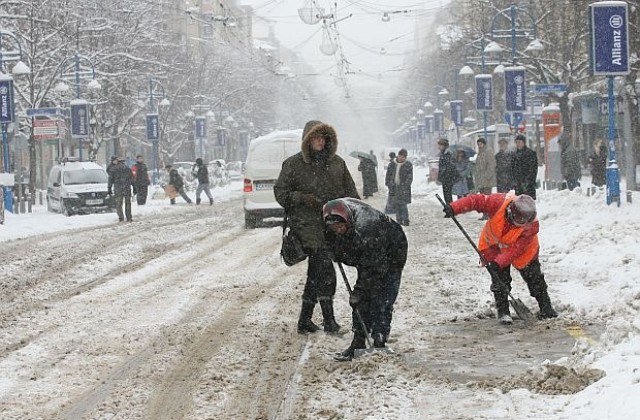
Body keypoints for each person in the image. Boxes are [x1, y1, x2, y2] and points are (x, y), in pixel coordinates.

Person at [274, 120, 360, 335]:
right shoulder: (293, 164)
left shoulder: (337, 163)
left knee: (316, 272)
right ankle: (329, 321)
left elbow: (350, 193)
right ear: (307, 140)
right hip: (306, 226)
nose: (319, 142)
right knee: (326, 270)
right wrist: (302, 198)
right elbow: (281, 193)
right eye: (315, 138)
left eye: (323, 138)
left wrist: (355, 215)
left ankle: (304, 320)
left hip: (330, 226)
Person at [442, 193, 558, 324]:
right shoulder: (498, 203)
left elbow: (516, 250)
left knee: (534, 277)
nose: (518, 223)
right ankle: (503, 311)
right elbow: (475, 200)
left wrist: (499, 262)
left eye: (522, 221)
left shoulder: (532, 226)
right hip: (493, 245)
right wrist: (454, 208)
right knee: (500, 279)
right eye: (517, 219)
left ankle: (546, 307)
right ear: (511, 211)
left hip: (524, 252)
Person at [322, 198, 407, 361]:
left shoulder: (368, 228)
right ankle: (359, 341)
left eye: (340, 227)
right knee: (362, 301)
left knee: (382, 297)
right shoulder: (330, 218)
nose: (337, 230)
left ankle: (379, 340)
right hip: (368, 251)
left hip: (393, 250)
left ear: (347, 220)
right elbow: (330, 242)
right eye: (334, 228)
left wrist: (359, 292)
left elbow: (371, 268)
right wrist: (336, 251)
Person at [385, 148, 413, 226]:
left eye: (403, 157)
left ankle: (405, 219)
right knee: (396, 204)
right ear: (398, 156)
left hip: (404, 189)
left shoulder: (408, 165)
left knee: (403, 204)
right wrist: (389, 184)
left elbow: (410, 177)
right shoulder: (392, 164)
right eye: (400, 156)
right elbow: (388, 176)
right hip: (393, 188)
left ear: (405, 157)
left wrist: (404, 186)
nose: (401, 158)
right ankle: (399, 220)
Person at [474, 138, 496, 219]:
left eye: (480, 144)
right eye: (478, 144)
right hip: (481, 180)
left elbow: (491, 165)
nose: (479, 146)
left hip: (487, 180)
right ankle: (485, 214)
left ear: (484, 144)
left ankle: (488, 214)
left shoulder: (488, 152)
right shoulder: (480, 153)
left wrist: (487, 176)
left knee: (487, 198)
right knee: (483, 198)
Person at [511, 134, 538, 199]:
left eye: (519, 142)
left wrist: (529, 181)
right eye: (516, 142)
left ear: (524, 143)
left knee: (528, 203)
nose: (518, 144)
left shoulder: (530, 153)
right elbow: (512, 169)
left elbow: (533, 169)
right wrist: (514, 181)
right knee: (519, 204)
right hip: (518, 185)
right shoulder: (514, 155)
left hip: (528, 184)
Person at [108, 157, 135, 222]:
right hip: (126, 188)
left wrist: (109, 188)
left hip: (118, 188)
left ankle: (121, 217)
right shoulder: (127, 169)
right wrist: (134, 188)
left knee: (119, 203)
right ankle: (129, 217)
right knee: (128, 203)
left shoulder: (113, 169)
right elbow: (132, 179)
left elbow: (110, 180)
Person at [436, 138, 458, 204]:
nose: (438, 147)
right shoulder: (443, 154)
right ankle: (450, 208)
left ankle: (451, 209)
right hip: (446, 178)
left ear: (444, 145)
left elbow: (449, 167)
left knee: (448, 196)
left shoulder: (448, 154)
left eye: (440, 145)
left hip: (448, 178)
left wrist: (444, 175)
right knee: (447, 195)